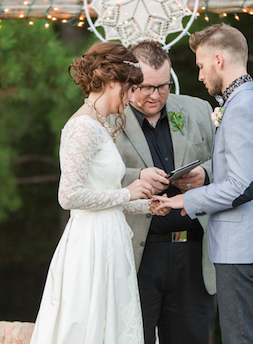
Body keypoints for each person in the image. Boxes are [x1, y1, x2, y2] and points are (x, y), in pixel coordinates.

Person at [30, 41, 169, 344]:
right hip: (90, 246)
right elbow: (69, 196)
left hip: (109, 237)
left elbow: (103, 197)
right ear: (112, 82)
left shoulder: (100, 124)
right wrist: (127, 194)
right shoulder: (83, 127)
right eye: (131, 88)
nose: (133, 97)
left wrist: (146, 204)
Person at [156, 24, 253, 344]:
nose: (200, 75)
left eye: (201, 66)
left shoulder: (241, 109)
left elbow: (242, 185)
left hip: (240, 246)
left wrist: (185, 201)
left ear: (219, 60)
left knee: (240, 338)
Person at [113, 40, 217, 344]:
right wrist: (138, 179)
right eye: (146, 87)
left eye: (163, 86)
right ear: (129, 81)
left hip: (194, 253)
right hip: (138, 255)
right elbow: (95, 180)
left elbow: (227, 161)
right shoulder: (109, 118)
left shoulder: (198, 110)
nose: (156, 95)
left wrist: (205, 174)